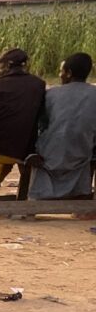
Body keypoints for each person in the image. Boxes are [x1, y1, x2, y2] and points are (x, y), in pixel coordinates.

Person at [0, 48, 46, 202]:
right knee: (17, 149)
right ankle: (17, 195)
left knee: (8, 148)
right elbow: (40, 117)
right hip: (23, 150)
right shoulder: (39, 84)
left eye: (0, 65)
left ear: (9, 65)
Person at [29, 53, 96, 201]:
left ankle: (33, 203)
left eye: (61, 71)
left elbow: (41, 124)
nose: (60, 75)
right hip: (83, 153)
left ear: (69, 73)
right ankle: (83, 201)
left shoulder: (52, 94)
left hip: (49, 155)